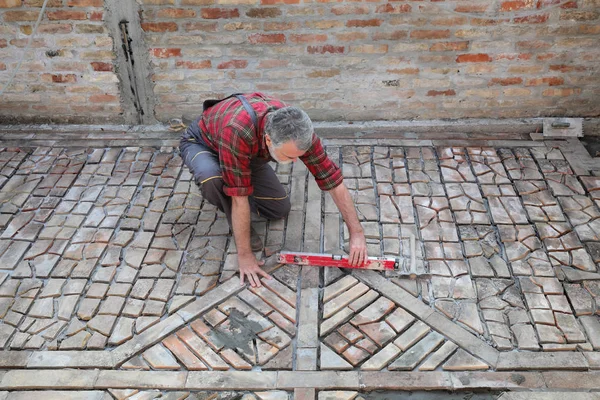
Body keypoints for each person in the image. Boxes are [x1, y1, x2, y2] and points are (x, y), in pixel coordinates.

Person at [180, 92, 367, 287]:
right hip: (203, 143)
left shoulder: (299, 132)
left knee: (278, 209)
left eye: (298, 156)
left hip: (243, 150)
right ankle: (234, 213)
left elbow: (333, 180)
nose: (296, 162)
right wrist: (245, 256)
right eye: (289, 156)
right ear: (269, 140)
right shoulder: (236, 130)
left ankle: (239, 172)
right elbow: (240, 197)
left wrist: (357, 233)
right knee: (214, 180)